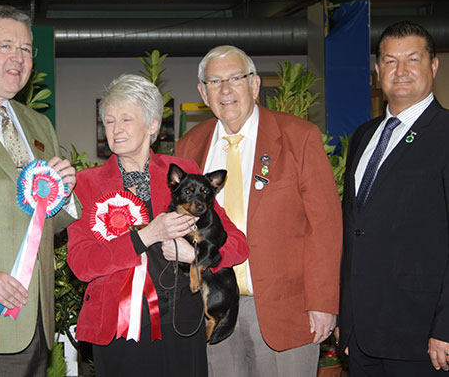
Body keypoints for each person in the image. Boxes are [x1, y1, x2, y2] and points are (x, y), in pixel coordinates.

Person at [175, 45, 342, 377]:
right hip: (212, 308)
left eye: (236, 78)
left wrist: (323, 303)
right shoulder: (189, 146)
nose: (225, 89)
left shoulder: (299, 137)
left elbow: (326, 225)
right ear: (202, 93)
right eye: (214, 81)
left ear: (254, 85)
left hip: (286, 311)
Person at [67, 74, 249, 377]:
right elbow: (82, 264)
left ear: (152, 125)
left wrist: (198, 257)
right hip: (118, 329)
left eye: (126, 119)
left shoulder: (186, 175)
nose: (116, 129)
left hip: (183, 326)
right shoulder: (87, 184)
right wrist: (146, 237)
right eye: (109, 121)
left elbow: (238, 245)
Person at [0, 5, 80, 377]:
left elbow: (48, 224)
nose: (18, 58)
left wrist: (66, 194)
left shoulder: (38, 125)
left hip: (34, 324)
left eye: (25, 49)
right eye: (6, 45)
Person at [337, 20, 449, 376]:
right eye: (389, 61)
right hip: (362, 333)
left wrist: (446, 328)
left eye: (412, 60)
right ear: (377, 70)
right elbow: (353, 229)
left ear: (433, 66)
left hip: (421, 337)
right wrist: (345, 315)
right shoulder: (363, 135)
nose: (400, 71)